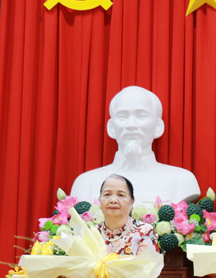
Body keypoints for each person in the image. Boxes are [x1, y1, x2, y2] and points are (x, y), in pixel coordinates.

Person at [70, 86, 200, 205]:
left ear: (158, 127)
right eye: (122, 117)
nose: (131, 125)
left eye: (141, 116)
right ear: (111, 128)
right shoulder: (85, 183)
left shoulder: (182, 181)